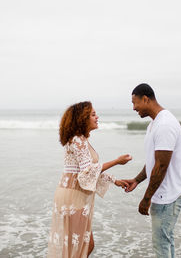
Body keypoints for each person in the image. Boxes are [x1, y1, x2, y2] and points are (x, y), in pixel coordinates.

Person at [47, 101, 131, 258]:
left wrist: (115, 180)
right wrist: (117, 161)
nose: (97, 117)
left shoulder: (81, 140)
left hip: (75, 194)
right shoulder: (78, 141)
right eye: (93, 114)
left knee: (83, 247)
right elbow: (87, 172)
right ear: (82, 118)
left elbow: (87, 171)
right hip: (73, 196)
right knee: (80, 248)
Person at [122, 83, 181, 258]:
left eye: (134, 102)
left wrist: (146, 199)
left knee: (161, 245)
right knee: (165, 241)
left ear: (145, 99)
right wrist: (137, 180)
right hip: (166, 192)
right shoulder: (154, 123)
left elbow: (161, 166)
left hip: (169, 195)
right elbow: (154, 161)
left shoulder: (165, 125)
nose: (133, 108)